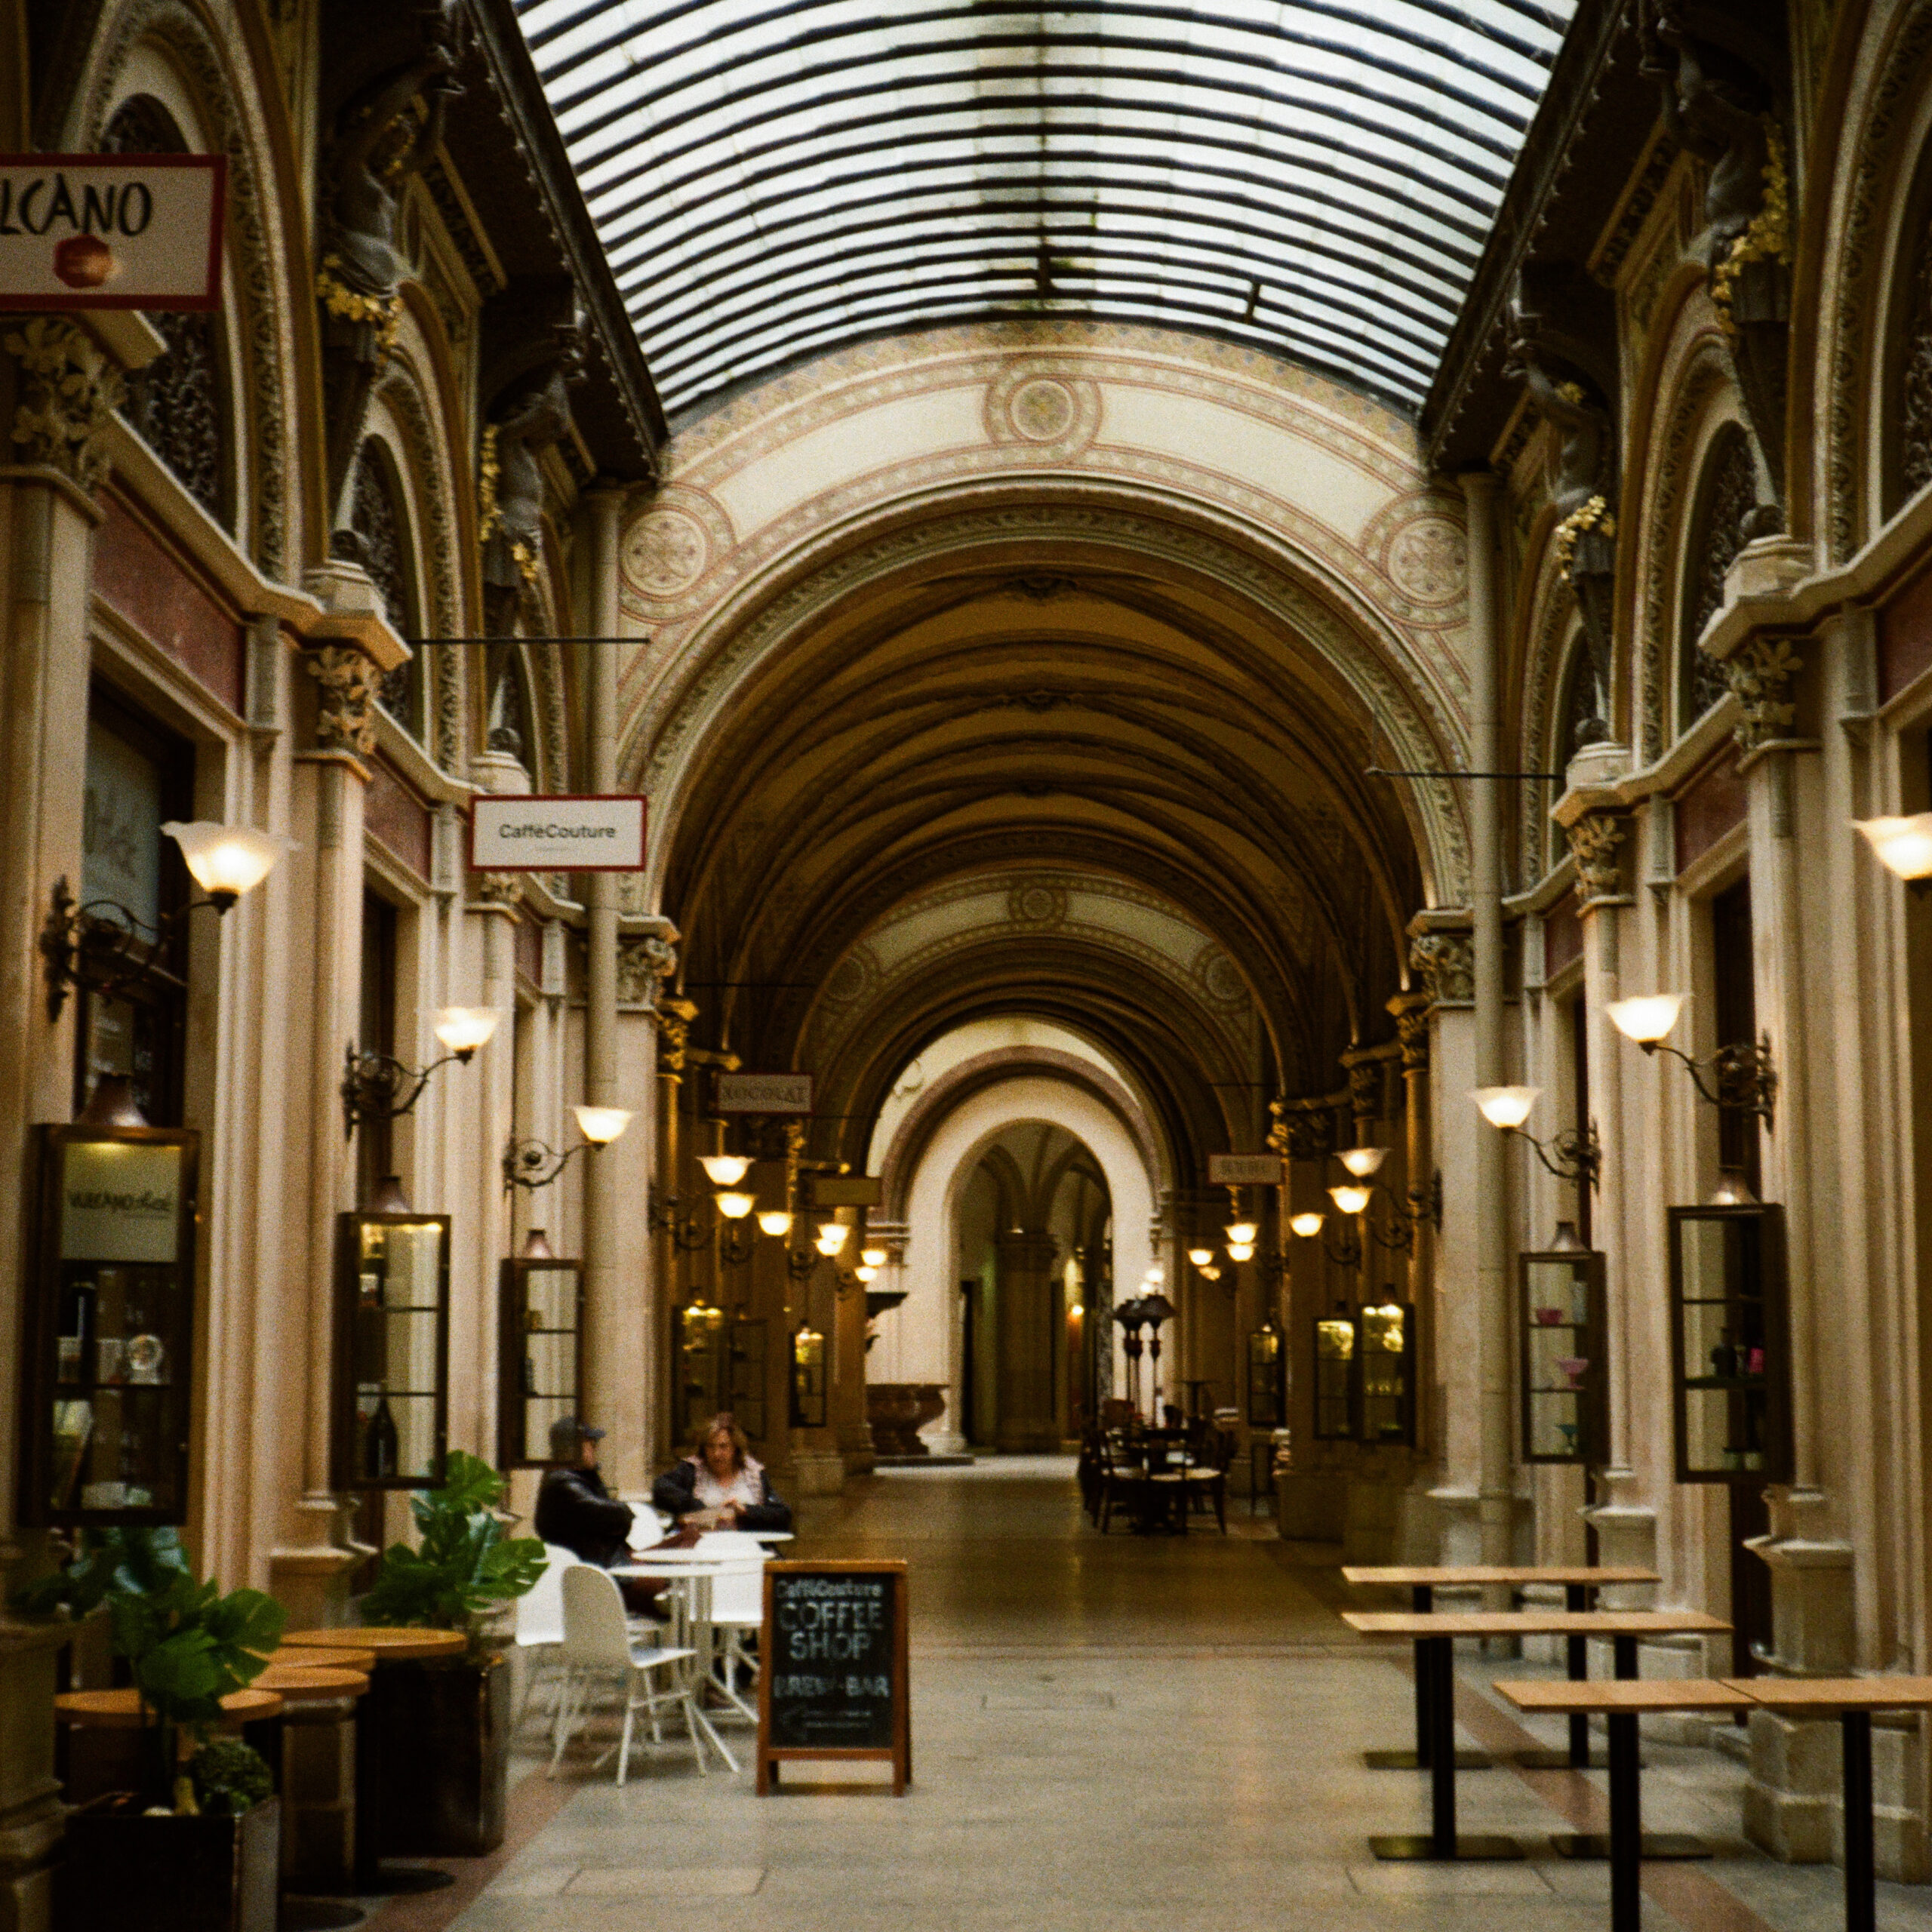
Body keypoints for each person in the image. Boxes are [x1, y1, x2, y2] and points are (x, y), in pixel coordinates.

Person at [652, 1413, 792, 1533]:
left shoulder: (753, 1473)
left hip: (746, 1546)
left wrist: (745, 1511)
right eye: (711, 1447)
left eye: (723, 1447)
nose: (716, 1454)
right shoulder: (692, 1469)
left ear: (735, 1448)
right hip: (700, 1547)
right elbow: (660, 1488)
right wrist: (699, 1508)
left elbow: (783, 1515)